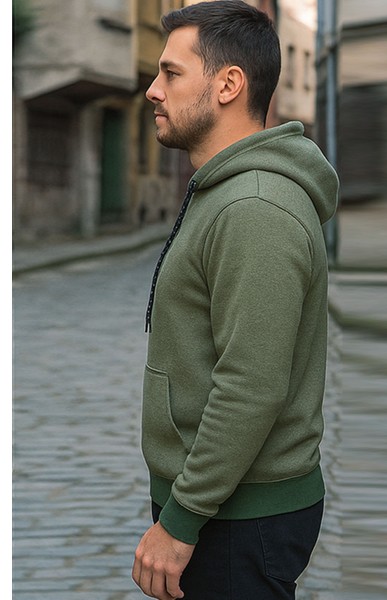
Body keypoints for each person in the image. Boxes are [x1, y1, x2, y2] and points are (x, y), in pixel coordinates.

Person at [132, 2, 339, 599]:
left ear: (228, 85)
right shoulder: (225, 191)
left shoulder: (254, 207)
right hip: (223, 506)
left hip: (238, 518)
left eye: (171, 73)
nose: (153, 90)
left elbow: (251, 384)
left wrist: (182, 518)